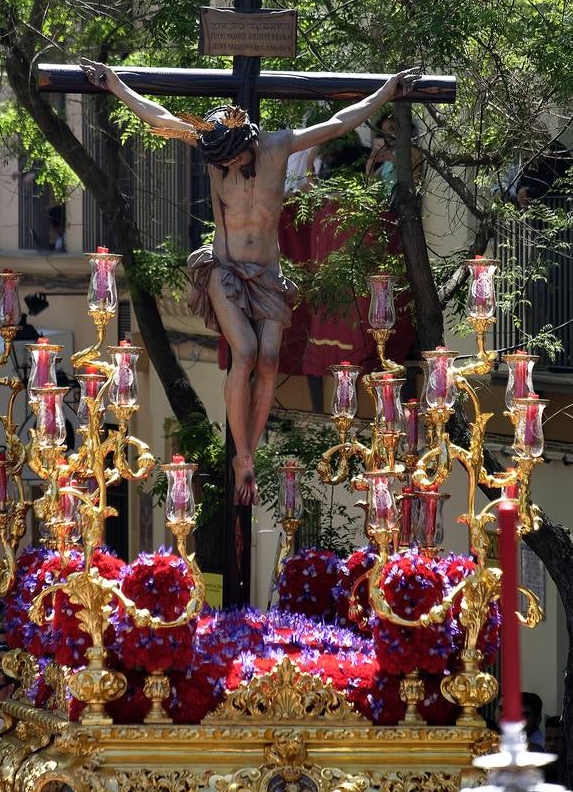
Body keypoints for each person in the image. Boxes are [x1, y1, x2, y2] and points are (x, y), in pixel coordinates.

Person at [80, 58, 421, 504]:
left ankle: (250, 450)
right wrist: (116, 86)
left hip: (268, 274)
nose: (228, 167)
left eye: (235, 157)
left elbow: (339, 123)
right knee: (245, 351)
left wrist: (388, 91)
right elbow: (158, 115)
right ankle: (242, 454)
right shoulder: (217, 154)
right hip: (223, 269)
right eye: (220, 162)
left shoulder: (279, 147)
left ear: (248, 142)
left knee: (270, 359)